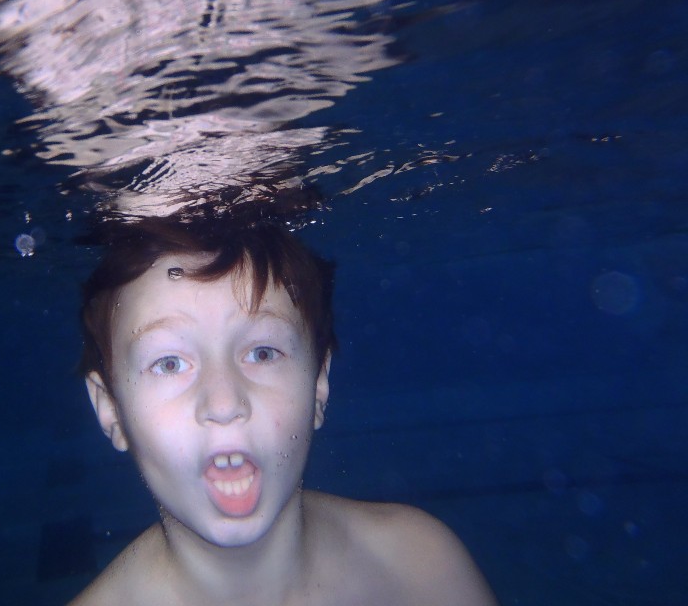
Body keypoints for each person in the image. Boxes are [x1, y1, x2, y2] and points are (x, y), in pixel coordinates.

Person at [72, 219, 498, 605]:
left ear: (318, 383)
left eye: (262, 353)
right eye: (169, 363)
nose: (224, 404)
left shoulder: (421, 568)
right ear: (110, 409)